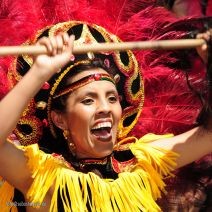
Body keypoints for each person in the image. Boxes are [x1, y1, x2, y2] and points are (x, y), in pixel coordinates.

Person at [0, 20, 211, 211]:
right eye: (88, 100)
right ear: (60, 119)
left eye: (112, 98)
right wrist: (40, 72)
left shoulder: (139, 164)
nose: (105, 108)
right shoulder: (44, 178)